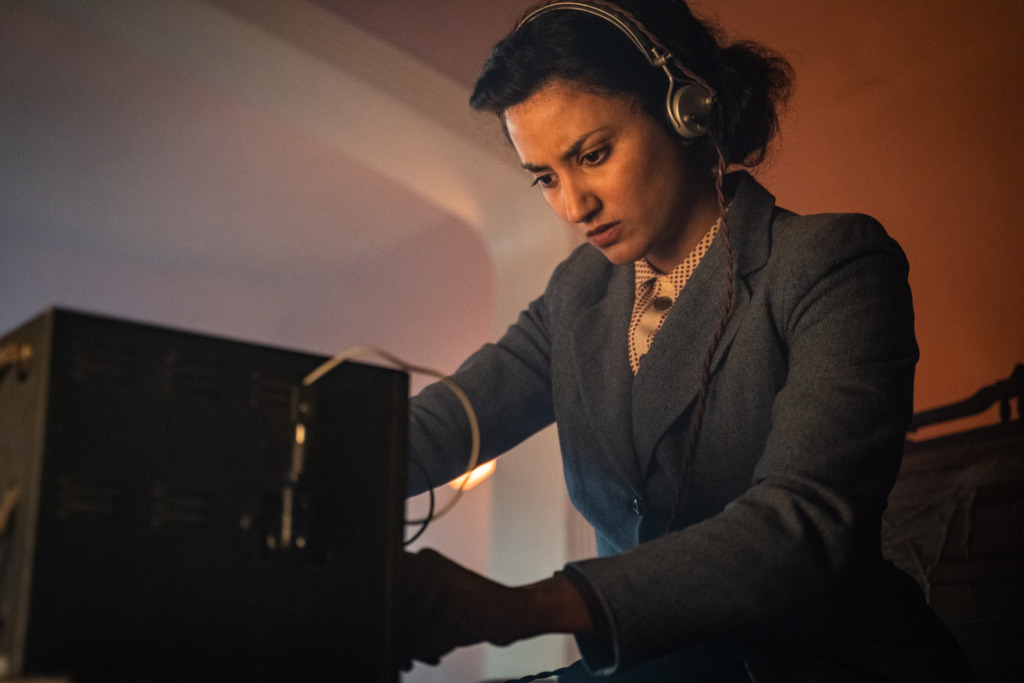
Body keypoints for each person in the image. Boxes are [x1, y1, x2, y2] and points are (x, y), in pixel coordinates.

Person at [399, 1, 974, 680]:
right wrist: (303, 458)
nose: (572, 205)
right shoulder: (576, 294)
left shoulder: (832, 264)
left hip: (820, 664)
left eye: (593, 154)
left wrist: (532, 605)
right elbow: (449, 422)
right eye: (546, 177)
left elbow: (803, 523)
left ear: (686, 111)